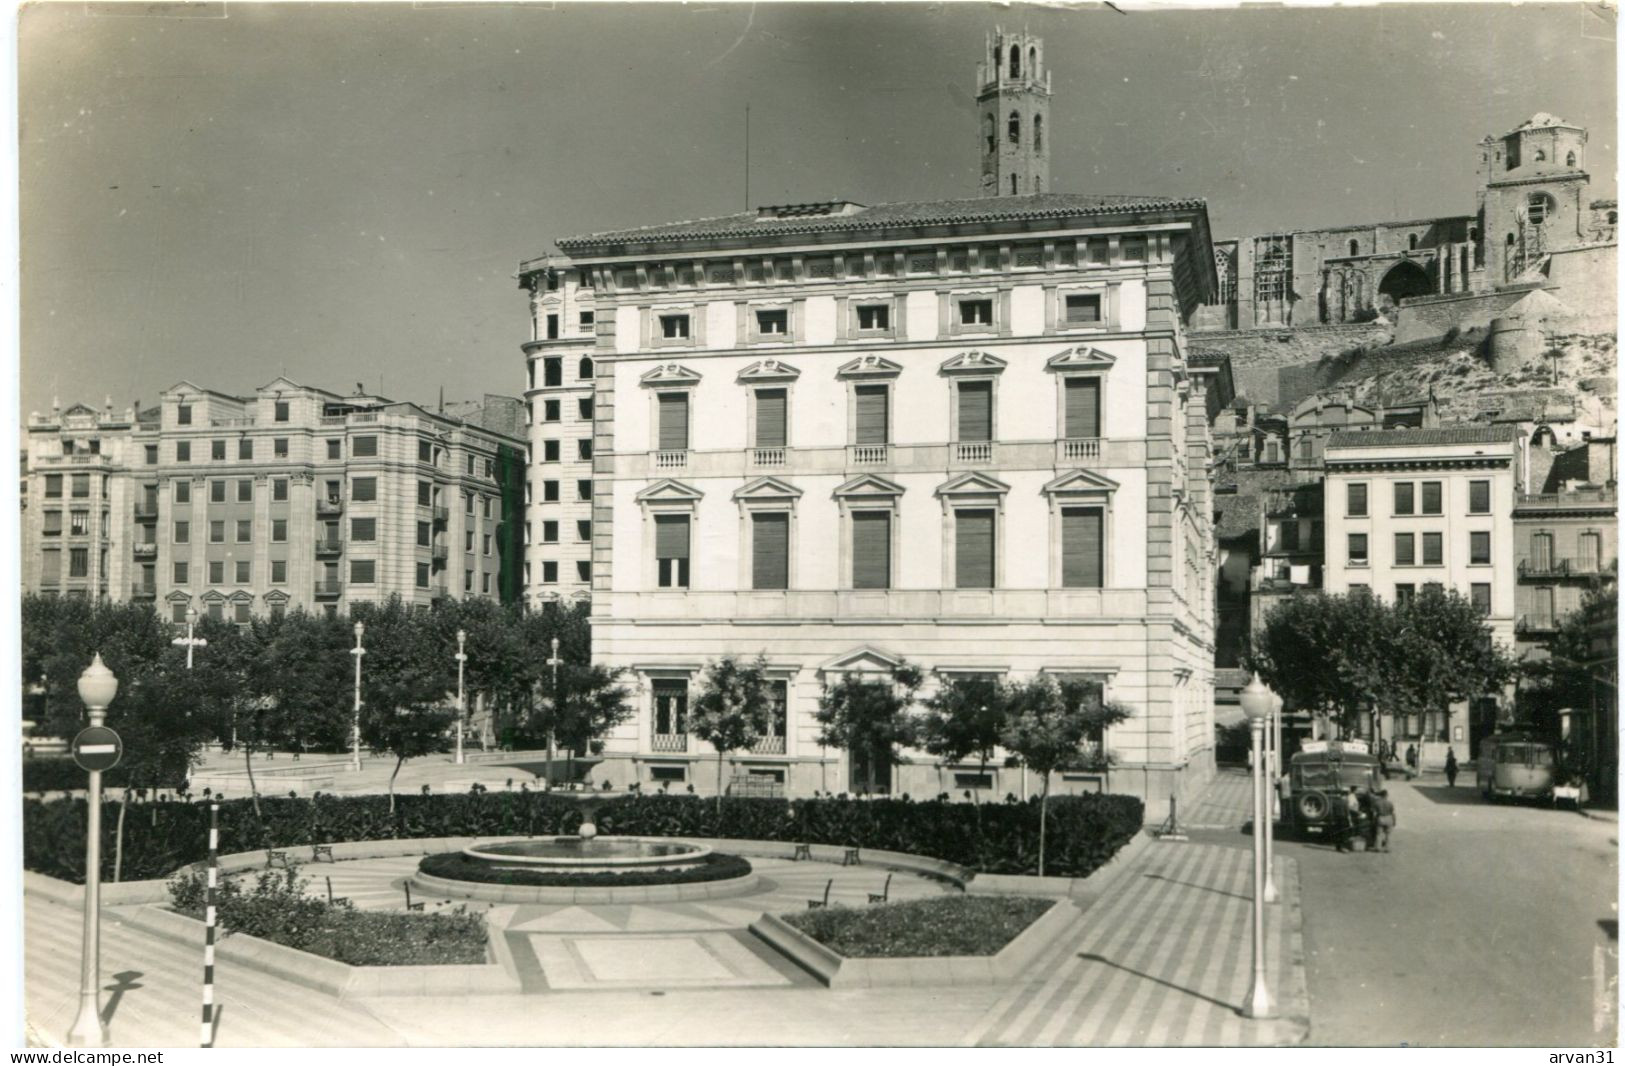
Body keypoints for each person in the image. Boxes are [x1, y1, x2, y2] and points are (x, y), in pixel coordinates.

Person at [1336, 786, 1364, 852]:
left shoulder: (1338, 801)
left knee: (1340, 833)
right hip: (1347, 816)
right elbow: (1348, 810)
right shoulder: (1347, 800)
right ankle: (1344, 847)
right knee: (1345, 833)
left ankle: (1338, 846)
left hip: (1339, 818)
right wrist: (1352, 818)